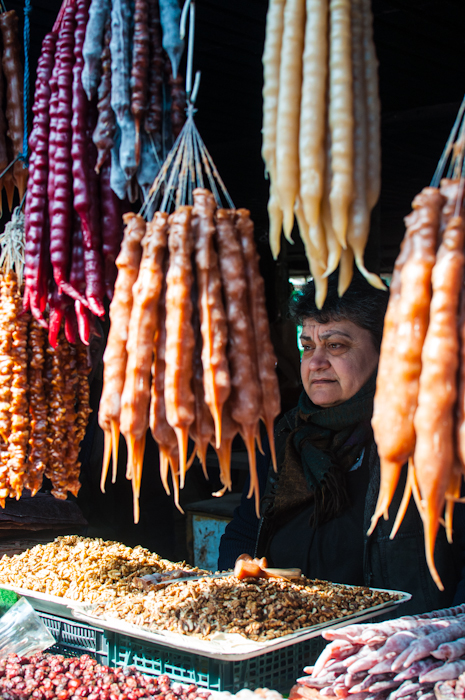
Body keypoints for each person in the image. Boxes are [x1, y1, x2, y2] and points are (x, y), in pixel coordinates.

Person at [218, 271, 465, 615]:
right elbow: (245, 529)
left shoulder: (427, 442)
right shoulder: (284, 438)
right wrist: (241, 563)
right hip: (283, 642)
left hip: (390, 653)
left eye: (335, 345)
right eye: (307, 346)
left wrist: (441, 638)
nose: (316, 363)